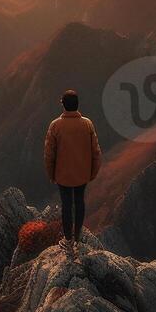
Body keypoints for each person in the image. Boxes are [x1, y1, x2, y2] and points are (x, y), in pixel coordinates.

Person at [44, 89, 102, 254]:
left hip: (62, 174)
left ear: (63, 105)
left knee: (67, 205)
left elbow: (49, 154)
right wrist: (93, 173)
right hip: (83, 173)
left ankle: (68, 240)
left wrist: (51, 174)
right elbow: (96, 152)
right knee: (80, 202)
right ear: (77, 105)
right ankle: (77, 238)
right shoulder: (87, 123)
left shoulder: (55, 125)